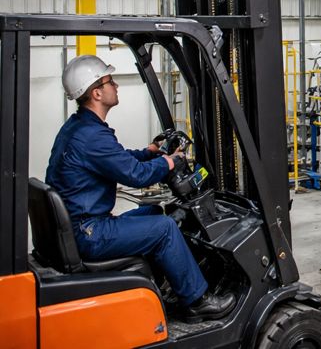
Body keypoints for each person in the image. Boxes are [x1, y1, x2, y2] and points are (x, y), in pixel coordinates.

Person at [45, 54, 235, 321]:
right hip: (90, 232)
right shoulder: (92, 136)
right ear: (97, 93)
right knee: (166, 229)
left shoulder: (80, 128)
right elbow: (135, 176)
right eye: (110, 81)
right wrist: (169, 162)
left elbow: (118, 160)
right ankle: (197, 300)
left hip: (82, 227)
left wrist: (150, 152)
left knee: (154, 213)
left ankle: (162, 288)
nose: (116, 86)